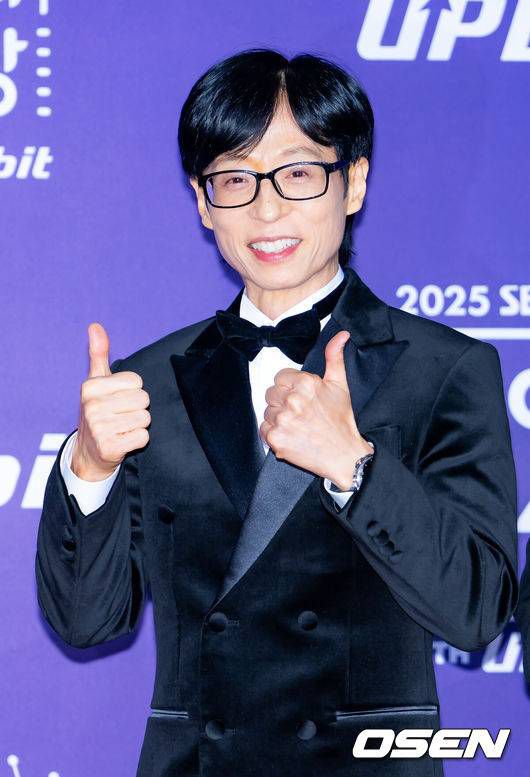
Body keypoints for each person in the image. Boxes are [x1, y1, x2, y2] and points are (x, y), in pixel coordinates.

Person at [35, 48, 518, 777]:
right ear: (203, 202)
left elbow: (477, 610)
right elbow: (85, 621)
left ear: (354, 182)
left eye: (297, 173)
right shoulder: (148, 383)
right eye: (236, 179)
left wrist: (355, 467)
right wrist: (90, 468)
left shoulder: (442, 369)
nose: (267, 209)